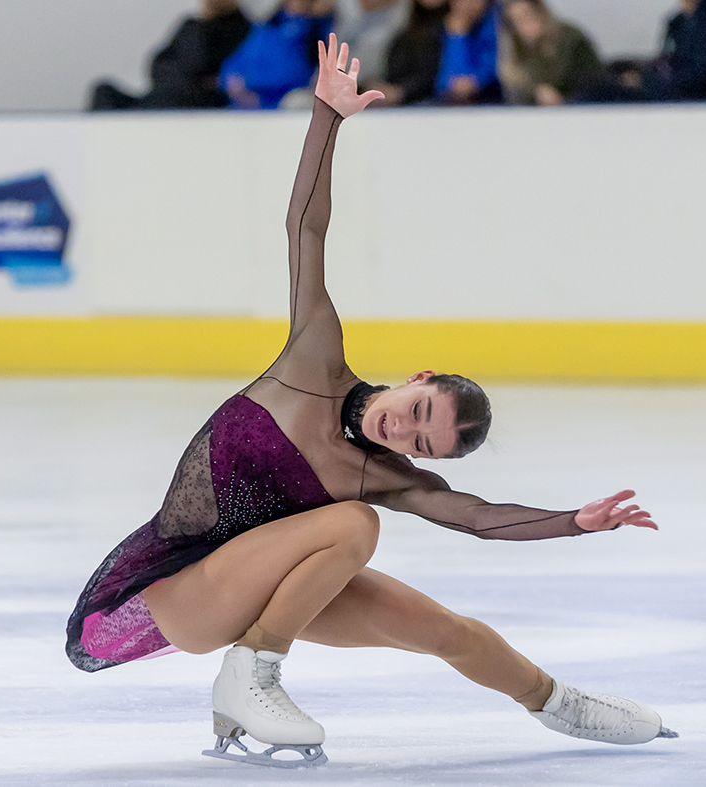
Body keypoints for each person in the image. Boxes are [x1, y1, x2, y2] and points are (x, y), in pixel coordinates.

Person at [66, 32, 675, 769]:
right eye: (419, 412)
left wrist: (574, 522)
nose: (404, 430)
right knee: (351, 524)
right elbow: (305, 228)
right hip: (151, 598)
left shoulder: (386, 475)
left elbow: (478, 518)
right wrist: (327, 118)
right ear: (416, 379)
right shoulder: (312, 358)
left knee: (449, 628)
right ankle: (252, 671)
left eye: (421, 444)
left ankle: (562, 704)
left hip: (258, 578)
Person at [89, 0, 251, 111]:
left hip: (189, 104)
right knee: (104, 92)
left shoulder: (243, 30)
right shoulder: (192, 25)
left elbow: (214, 74)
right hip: (159, 98)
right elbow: (157, 63)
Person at [220, 0, 335, 109]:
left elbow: (299, 71)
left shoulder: (315, 28)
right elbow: (237, 61)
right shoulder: (267, 26)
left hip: (287, 98)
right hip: (246, 99)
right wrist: (233, 82)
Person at [498, 0, 603, 106]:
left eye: (526, 15)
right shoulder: (516, 56)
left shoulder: (571, 40)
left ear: (540, 12)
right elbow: (515, 94)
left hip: (581, 111)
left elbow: (596, 84)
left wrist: (564, 101)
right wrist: (535, 96)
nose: (523, 25)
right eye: (516, 21)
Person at [372, 0, 450, 106]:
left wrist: (401, 92)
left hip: (436, 103)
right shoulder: (406, 31)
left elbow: (433, 74)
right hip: (400, 103)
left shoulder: (451, 29)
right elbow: (392, 68)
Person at [436, 0, 503, 104]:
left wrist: (476, 82)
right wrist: (457, 36)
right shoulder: (439, 27)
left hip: (490, 100)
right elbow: (445, 79)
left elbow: (493, 68)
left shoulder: (496, 26)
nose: (469, 4)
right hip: (445, 103)